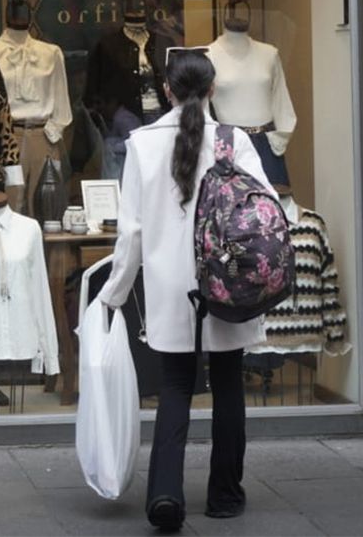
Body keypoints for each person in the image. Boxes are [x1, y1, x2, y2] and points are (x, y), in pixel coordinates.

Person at [97, 50, 272, 531]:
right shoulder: (233, 141)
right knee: (229, 384)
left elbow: (130, 234)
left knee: (175, 387)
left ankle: (165, 495)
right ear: (213, 90)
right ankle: (225, 495)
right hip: (229, 281)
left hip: (171, 286)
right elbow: (268, 209)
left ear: (167, 90)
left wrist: (113, 295)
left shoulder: (141, 144)